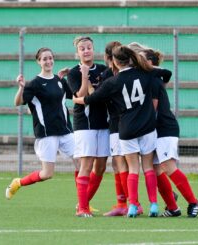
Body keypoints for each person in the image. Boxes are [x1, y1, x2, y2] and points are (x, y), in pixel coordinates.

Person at [73, 45, 160, 218]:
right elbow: (165, 74)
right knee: (148, 167)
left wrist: (77, 99)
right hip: (148, 127)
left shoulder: (113, 81)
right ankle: (154, 205)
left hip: (125, 128)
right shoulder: (145, 73)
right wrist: (146, 65)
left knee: (132, 168)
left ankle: (132, 205)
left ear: (114, 61)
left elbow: (92, 98)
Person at [130, 43, 198, 218]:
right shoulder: (150, 79)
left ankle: (194, 202)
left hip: (164, 128)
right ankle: (172, 206)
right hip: (155, 129)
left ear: (148, 62)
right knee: (155, 170)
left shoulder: (154, 80)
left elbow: (153, 110)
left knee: (168, 166)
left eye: (140, 57)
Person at [5, 47, 75, 201]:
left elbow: (73, 95)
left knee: (83, 165)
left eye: (50, 58)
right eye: (44, 59)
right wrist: (21, 88)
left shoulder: (59, 80)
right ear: (39, 62)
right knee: (47, 174)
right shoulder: (34, 84)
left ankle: (83, 204)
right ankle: (18, 182)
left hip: (66, 130)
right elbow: (18, 102)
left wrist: (66, 77)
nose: (48, 61)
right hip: (46, 133)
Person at [64, 36, 110, 217]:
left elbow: (104, 93)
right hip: (85, 124)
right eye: (82, 48)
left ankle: (82, 203)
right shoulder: (74, 72)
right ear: (77, 52)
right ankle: (83, 208)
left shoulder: (103, 69)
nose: (86, 51)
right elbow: (80, 95)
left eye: (89, 47)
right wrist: (85, 77)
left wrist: (95, 90)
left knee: (101, 167)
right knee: (87, 164)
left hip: (104, 123)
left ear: (93, 49)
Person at [101, 41, 143, 216]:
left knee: (120, 163)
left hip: (119, 124)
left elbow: (98, 97)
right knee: (134, 164)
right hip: (137, 122)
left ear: (108, 58)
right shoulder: (137, 73)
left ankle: (129, 203)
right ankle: (127, 202)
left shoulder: (109, 76)